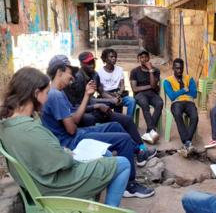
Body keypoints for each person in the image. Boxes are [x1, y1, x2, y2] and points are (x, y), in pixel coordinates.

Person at [0, 67, 129, 207]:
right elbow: (64, 161)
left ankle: (92, 202)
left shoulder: (8, 123)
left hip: (42, 180)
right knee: (123, 163)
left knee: (107, 154)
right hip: (55, 186)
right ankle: (109, 208)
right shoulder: (29, 128)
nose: (47, 98)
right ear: (36, 93)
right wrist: (66, 153)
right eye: (46, 93)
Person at [42, 55, 155, 198]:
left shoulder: (58, 93)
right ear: (59, 72)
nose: (71, 77)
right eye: (69, 73)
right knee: (124, 139)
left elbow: (75, 118)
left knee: (114, 125)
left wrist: (86, 96)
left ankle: (139, 152)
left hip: (74, 134)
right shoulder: (55, 96)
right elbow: (72, 129)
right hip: (71, 141)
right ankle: (129, 185)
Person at [63, 52, 146, 151]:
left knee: (126, 119)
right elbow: (76, 106)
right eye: (88, 63)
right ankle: (102, 148)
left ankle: (141, 148)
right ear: (81, 64)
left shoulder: (95, 74)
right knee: (91, 119)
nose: (92, 65)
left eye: (93, 62)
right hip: (84, 112)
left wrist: (112, 99)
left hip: (93, 106)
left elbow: (100, 93)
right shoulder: (77, 79)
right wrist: (98, 106)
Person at [163, 59, 199, 158]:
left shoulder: (189, 78)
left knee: (195, 116)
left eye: (181, 68)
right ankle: (187, 142)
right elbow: (172, 96)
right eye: (177, 68)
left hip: (189, 102)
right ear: (173, 68)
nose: (179, 71)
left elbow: (194, 94)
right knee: (177, 114)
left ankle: (186, 143)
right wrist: (185, 90)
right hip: (176, 103)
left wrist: (178, 92)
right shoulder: (167, 81)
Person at [130, 49, 163, 144]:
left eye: (146, 57)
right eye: (142, 57)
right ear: (138, 59)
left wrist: (150, 70)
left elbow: (153, 85)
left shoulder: (155, 70)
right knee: (144, 104)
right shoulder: (134, 71)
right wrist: (151, 86)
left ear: (149, 58)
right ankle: (152, 131)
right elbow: (135, 89)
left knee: (160, 103)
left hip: (152, 94)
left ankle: (149, 131)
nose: (144, 59)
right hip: (140, 95)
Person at [97, 48, 136, 117]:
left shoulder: (119, 69)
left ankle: (128, 121)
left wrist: (119, 94)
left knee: (131, 101)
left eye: (115, 57)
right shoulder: (99, 72)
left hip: (118, 94)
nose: (114, 58)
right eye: (111, 57)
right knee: (102, 106)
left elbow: (122, 85)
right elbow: (101, 92)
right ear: (105, 59)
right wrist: (113, 98)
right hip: (106, 96)